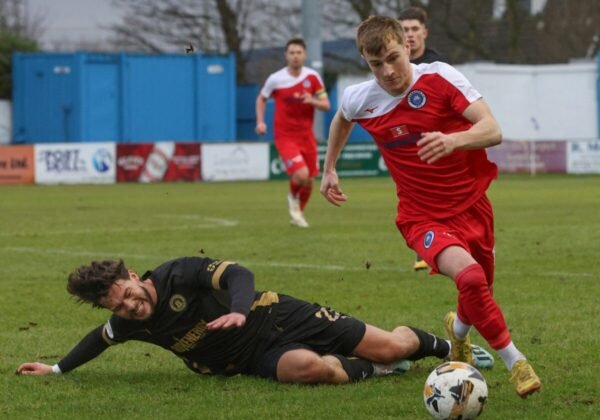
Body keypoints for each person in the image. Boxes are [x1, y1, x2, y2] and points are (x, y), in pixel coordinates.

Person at [320, 16, 541, 398]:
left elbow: (493, 129)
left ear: (408, 46)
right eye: (376, 65)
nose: (387, 71)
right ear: (365, 62)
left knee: (479, 289)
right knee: (470, 279)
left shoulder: (440, 78)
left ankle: (458, 335)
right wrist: (329, 169)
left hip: (473, 206)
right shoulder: (361, 97)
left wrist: (455, 140)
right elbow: (342, 119)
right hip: (420, 216)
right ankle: (515, 362)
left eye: (393, 58)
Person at [16, 256, 493, 383]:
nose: (130, 307)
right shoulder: (129, 323)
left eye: (128, 295)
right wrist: (56, 369)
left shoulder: (180, 273)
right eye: (118, 307)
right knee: (312, 370)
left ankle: (441, 345)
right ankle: (381, 370)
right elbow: (96, 341)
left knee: (391, 342)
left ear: (135, 277)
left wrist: (239, 311)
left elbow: (239, 274)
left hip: (277, 314)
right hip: (253, 359)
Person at [256, 37, 331, 228]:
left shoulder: (312, 77)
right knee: (301, 175)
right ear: (286, 55)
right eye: (292, 53)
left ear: (304, 55)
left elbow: (326, 104)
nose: (295, 56)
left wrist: (312, 101)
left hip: (307, 136)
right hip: (285, 136)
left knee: (309, 181)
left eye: (299, 53)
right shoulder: (276, 79)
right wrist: (260, 122)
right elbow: (261, 99)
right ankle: (292, 198)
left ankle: (298, 214)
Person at [399, 6, 446, 271]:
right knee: (414, 196)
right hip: (407, 143)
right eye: (404, 30)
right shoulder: (393, 66)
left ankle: (441, 245)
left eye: (415, 29)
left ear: (424, 32)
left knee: (440, 193)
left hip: (438, 137)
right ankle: (426, 247)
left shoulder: (439, 64)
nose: (410, 35)